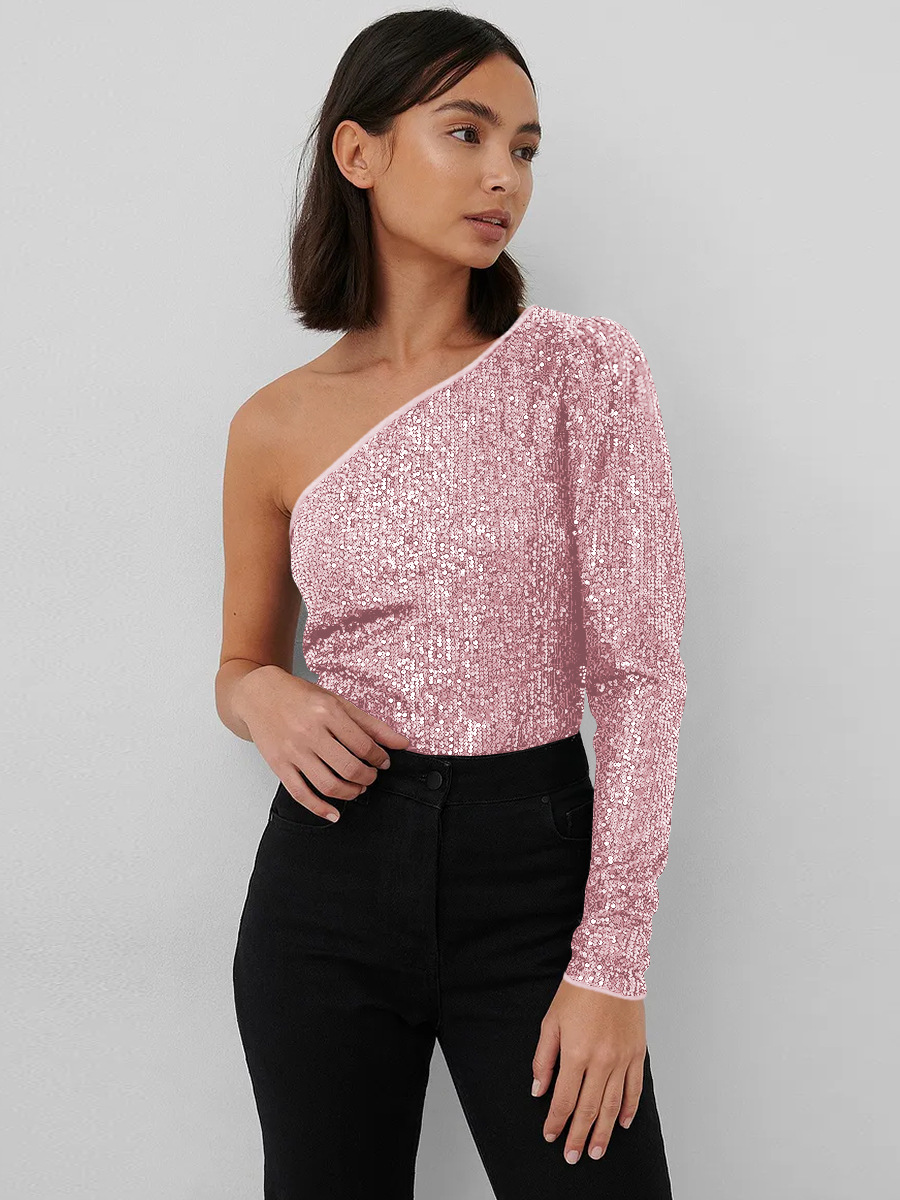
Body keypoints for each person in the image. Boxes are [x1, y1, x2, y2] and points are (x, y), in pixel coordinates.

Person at [216, 10, 686, 1199]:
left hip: (533, 879)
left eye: (524, 148)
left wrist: (612, 961)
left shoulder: (582, 369)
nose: (503, 176)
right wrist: (265, 697)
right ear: (359, 152)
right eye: (467, 133)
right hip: (326, 882)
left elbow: (640, 675)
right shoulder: (272, 424)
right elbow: (239, 664)